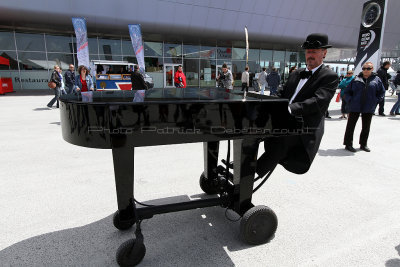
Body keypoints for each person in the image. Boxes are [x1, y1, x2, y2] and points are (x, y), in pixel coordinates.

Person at [256, 33, 338, 177]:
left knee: (279, 144)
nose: (310, 55)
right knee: (252, 131)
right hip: (284, 120)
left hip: (303, 127)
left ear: (324, 53)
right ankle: (244, 165)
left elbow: (317, 102)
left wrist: (288, 109)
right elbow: (282, 93)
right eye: (308, 52)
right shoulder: (296, 73)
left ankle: (249, 177)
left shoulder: (329, 76)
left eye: (314, 51)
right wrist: (269, 103)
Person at [343, 62, 385, 152]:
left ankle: (363, 144)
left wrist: (376, 101)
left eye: (368, 68)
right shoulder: (356, 79)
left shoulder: (377, 80)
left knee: (366, 127)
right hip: (355, 106)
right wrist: (350, 100)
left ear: (372, 69)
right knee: (350, 126)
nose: (365, 70)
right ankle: (348, 144)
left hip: (369, 107)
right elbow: (346, 92)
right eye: (364, 68)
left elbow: (382, 92)